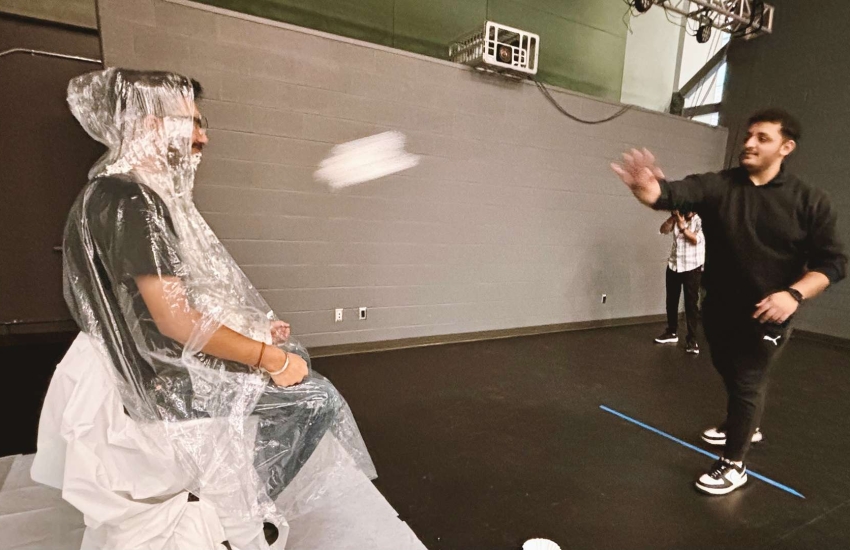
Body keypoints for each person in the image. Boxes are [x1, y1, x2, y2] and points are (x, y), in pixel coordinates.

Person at [39, 68, 375, 547]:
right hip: (147, 382)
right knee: (314, 400)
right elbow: (175, 319)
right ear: (150, 124)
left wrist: (246, 327)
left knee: (293, 369)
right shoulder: (131, 200)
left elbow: (152, 303)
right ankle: (232, 513)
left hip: (124, 367)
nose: (203, 137)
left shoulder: (108, 191)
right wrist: (268, 358)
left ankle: (231, 503)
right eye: (192, 123)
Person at [612, 108, 846, 495]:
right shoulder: (720, 186)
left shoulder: (810, 202)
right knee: (730, 372)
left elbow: (833, 264)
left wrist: (793, 295)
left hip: (768, 315)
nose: (749, 143)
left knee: (748, 382)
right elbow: (671, 193)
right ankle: (741, 423)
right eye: (748, 135)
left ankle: (734, 464)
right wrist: (649, 190)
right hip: (718, 308)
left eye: (763, 138)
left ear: (786, 147)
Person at [656, 209, 705, 354]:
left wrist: (682, 224)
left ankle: (692, 341)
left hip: (692, 266)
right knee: (671, 300)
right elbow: (662, 230)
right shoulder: (677, 218)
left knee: (691, 304)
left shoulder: (700, 220)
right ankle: (671, 332)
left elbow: (695, 239)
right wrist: (673, 218)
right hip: (674, 264)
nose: (686, 212)